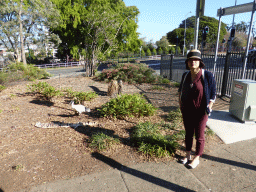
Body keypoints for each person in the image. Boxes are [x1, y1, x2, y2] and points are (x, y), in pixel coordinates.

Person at [178, 49, 216, 169]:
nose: (193, 62)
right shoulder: (185, 75)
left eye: (196, 60)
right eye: (190, 60)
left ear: (200, 62)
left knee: (199, 136)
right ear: (187, 62)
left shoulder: (207, 75)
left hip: (201, 112)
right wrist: (181, 105)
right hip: (187, 111)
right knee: (188, 133)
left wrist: (209, 108)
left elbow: (213, 94)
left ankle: (197, 157)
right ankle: (188, 154)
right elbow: (180, 92)